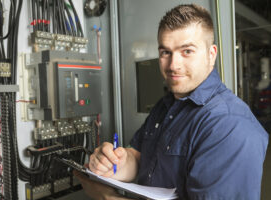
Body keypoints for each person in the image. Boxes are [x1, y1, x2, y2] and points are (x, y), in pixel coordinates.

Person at [73, 4, 269, 200]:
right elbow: (141, 158)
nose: (173, 65)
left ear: (211, 54)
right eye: (165, 52)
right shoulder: (167, 105)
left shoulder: (229, 124)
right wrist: (116, 163)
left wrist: (107, 197)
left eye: (187, 51)